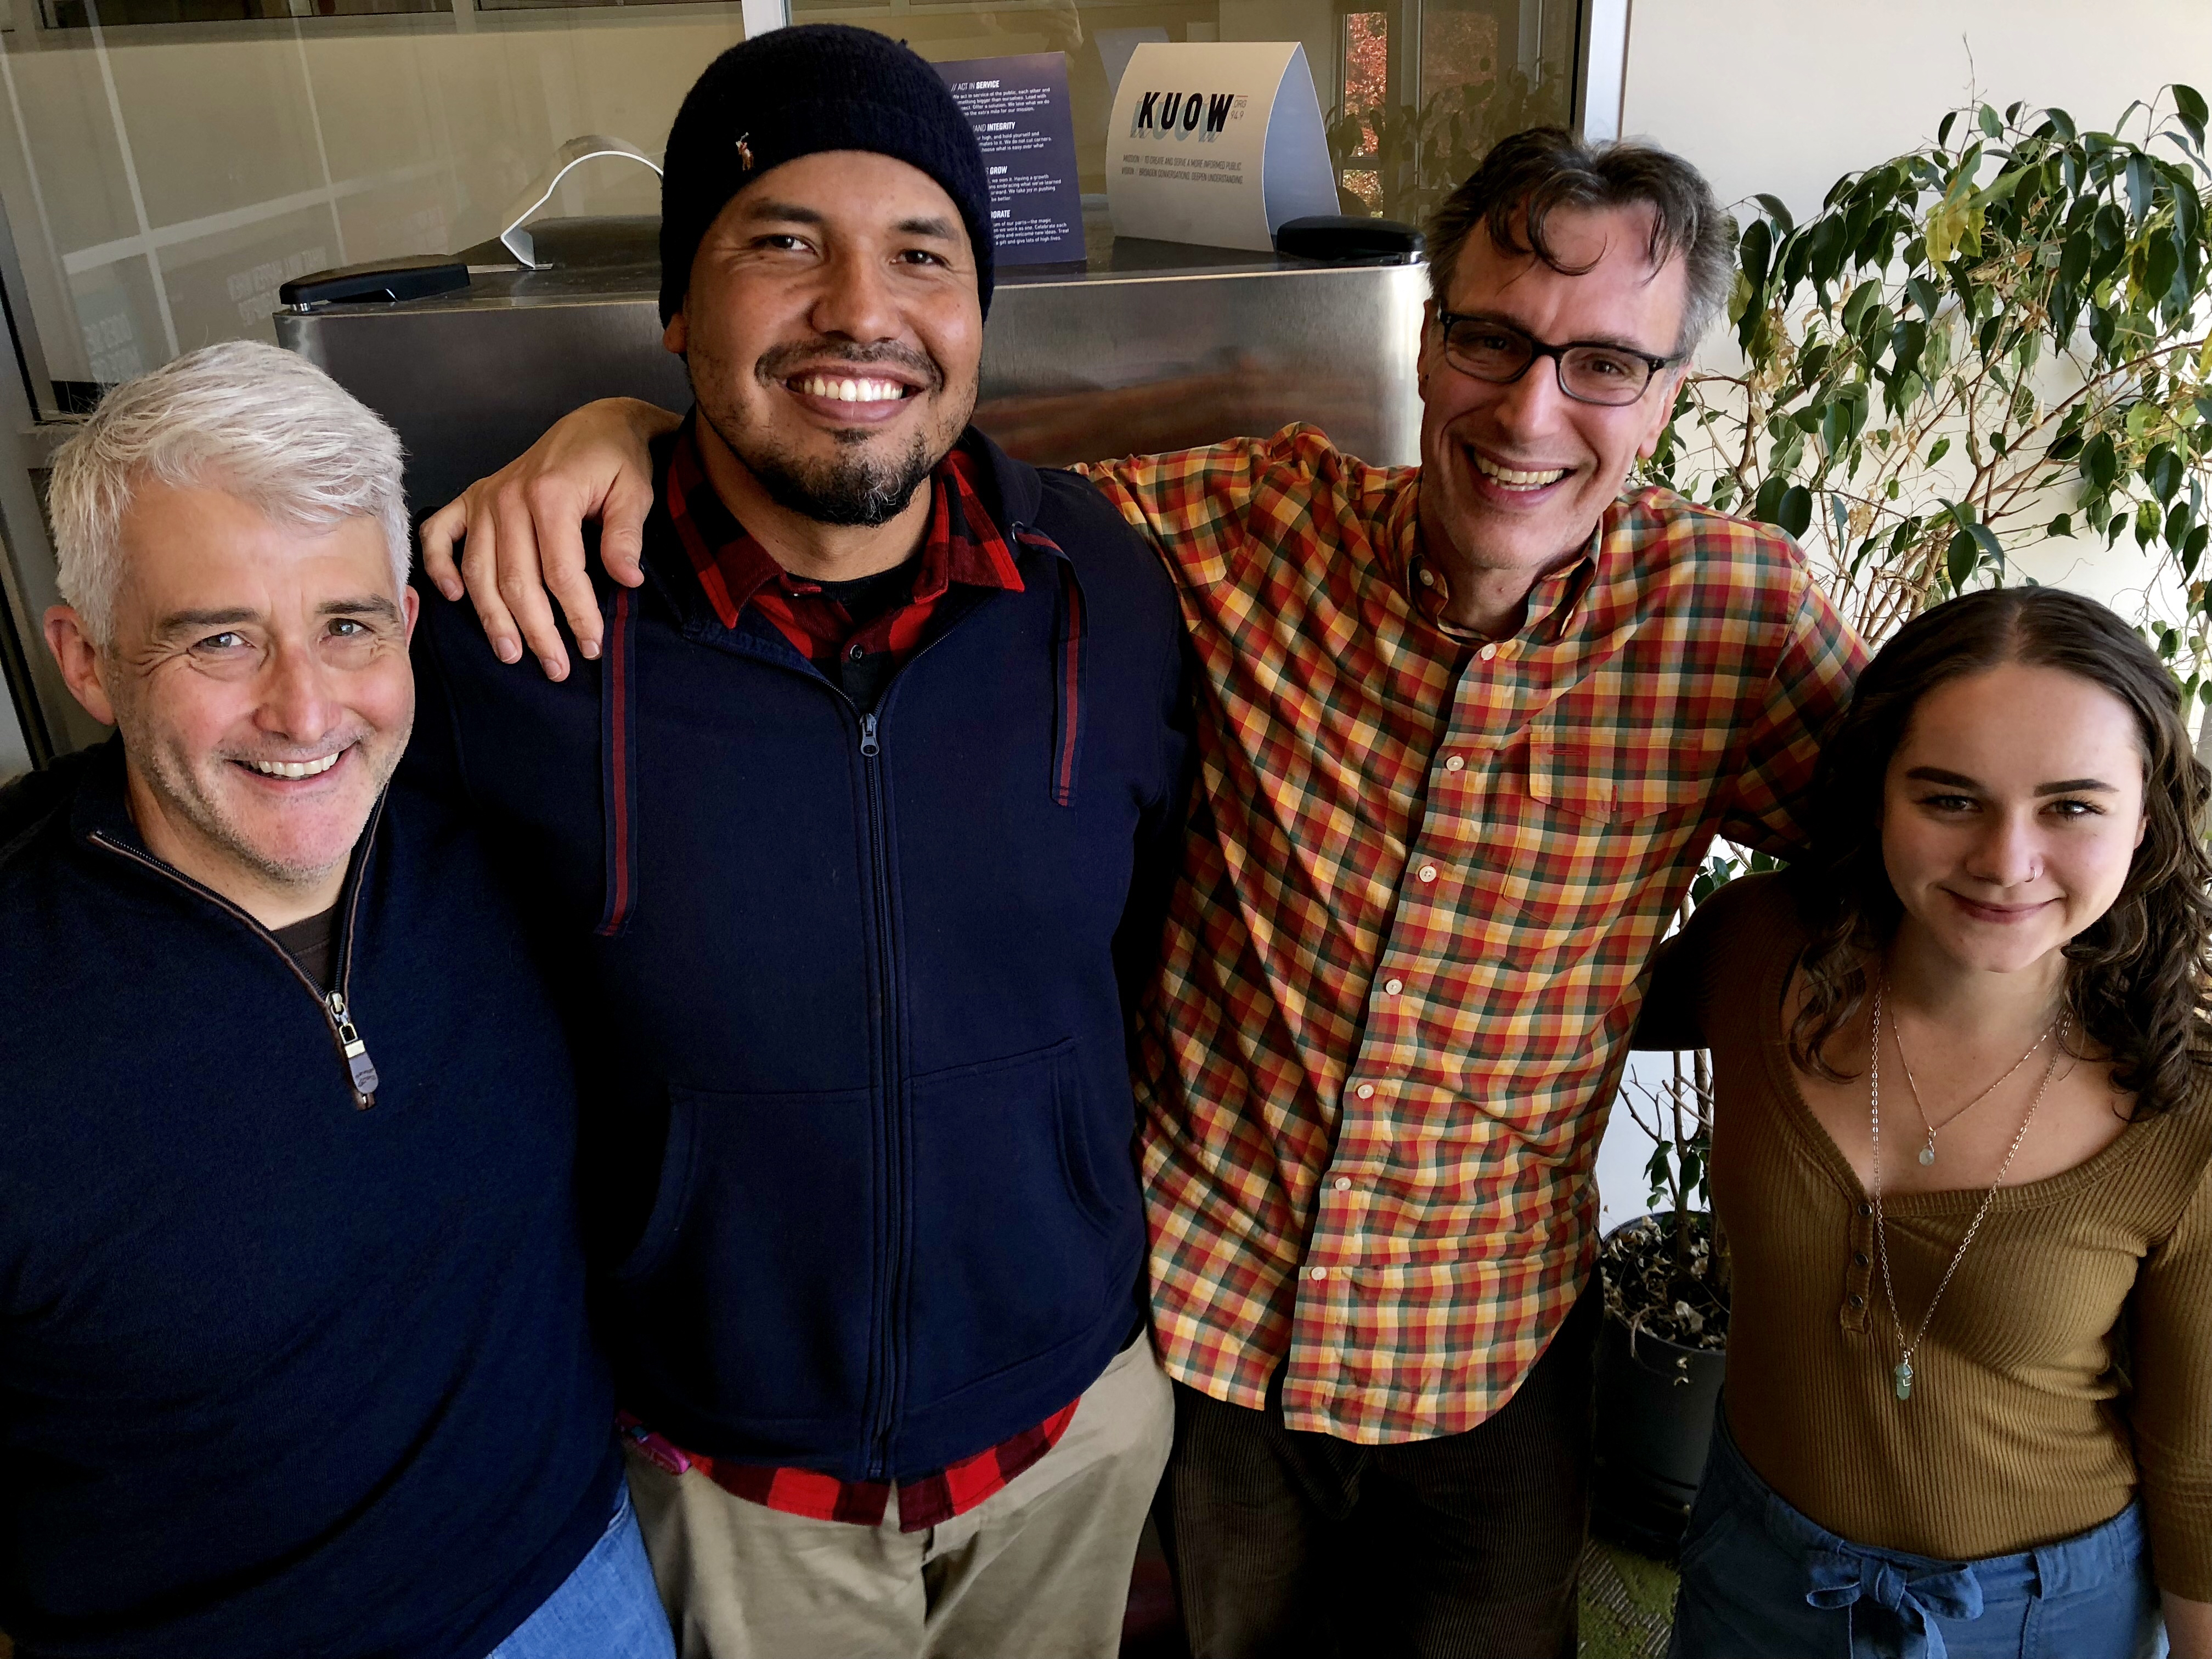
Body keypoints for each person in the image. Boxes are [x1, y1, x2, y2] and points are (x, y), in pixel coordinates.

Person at [421, 128, 1865, 1655]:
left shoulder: (1734, 617)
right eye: (1493, 339)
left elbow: (1923, 851)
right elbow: (891, 455)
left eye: (1603, 366)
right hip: (1213, 1336)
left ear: (1671, 396)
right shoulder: (1234, 533)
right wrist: (620, 427)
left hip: (1489, 1348)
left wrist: (1659, 1002)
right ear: (1428, 342)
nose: (1529, 411)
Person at [404, 25, 1189, 1659]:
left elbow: (1139, 944)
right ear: (680, 311)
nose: (860, 310)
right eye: (782, 243)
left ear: (979, 317)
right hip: (719, 1487)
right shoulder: (520, 631)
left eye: (923, 252)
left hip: (1070, 1441)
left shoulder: (1102, 589)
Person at [0, 341, 673, 1658]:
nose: (304, 710)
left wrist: (633, 420)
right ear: (85, 664)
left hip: (581, 1589)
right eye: (221, 639)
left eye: (345, 625)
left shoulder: (506, 825)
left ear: (408, 630)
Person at [1635, 586, 2212, 1659]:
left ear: (2148, 817)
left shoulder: (2188, 1100)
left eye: (2073, 806)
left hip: (2042, 1615)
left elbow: (2198, 1464)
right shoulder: (1759, 955)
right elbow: (1540, 1020)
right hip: (1750, 1565)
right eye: (1949, 799)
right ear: (1879, 795)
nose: (2005, 860)